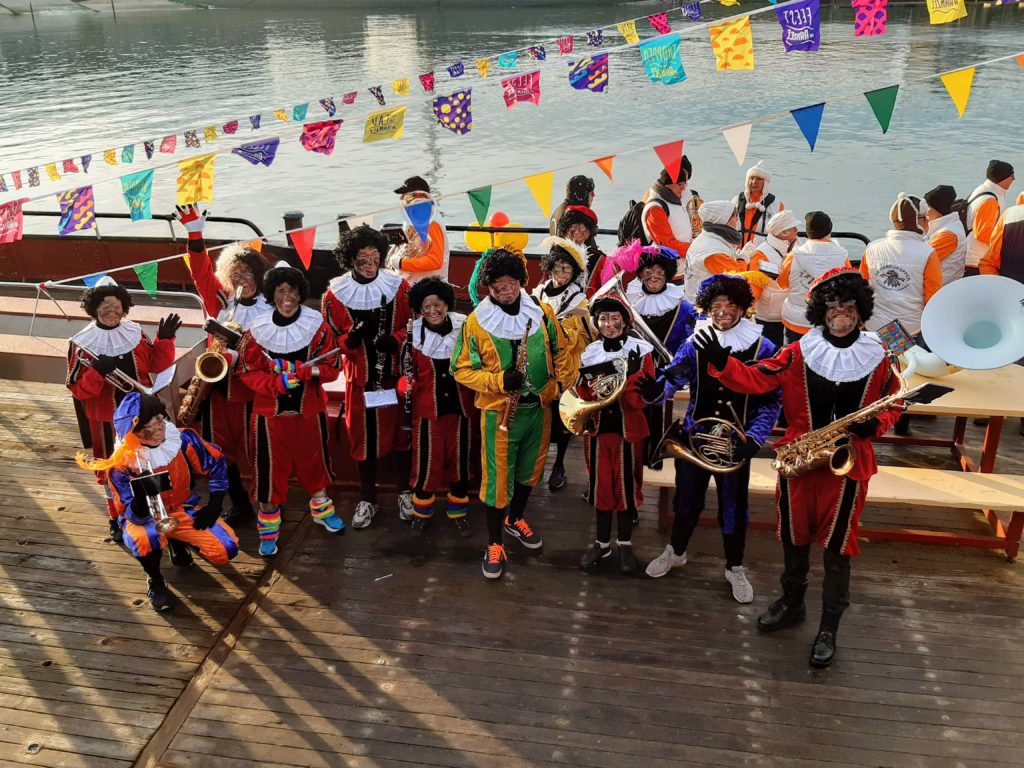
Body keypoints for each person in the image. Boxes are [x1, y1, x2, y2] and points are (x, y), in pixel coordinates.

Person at [699, 267, 903, 667]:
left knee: (837, 548)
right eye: (832, 305)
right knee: (793, 537)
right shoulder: (799, 351)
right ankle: (792, 603)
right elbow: (756, 379)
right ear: (820, 311)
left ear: (860, 310)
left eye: (847, 305)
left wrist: (874, 424)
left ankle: (829, 626)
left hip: (848, 466)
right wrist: (722, 362)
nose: (840, 312)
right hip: (800, 460)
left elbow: (896, 400)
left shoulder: (880, 353)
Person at [643, 275, 780, 604]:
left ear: (742, 309)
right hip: (695, 436)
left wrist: (755, 437)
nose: (722, 314)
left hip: (736, 443)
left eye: (729, 307)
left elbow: (770, 400)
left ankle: (734, 566)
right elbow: (673, 377)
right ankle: (676, 551)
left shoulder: (763, 347)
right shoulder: (694, 343)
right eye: (715, 307)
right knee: (686, 500)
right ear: (707, 308)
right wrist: (654, 391)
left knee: (734, 506)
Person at [453, 247, 574, 579]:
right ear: (488, 288)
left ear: (521, 282)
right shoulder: (477, 323)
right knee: (496, 482)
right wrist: (497, 380)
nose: (504, 291)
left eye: (509, 284)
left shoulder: (542, 312)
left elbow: (562, 351)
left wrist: (556, 386)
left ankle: (515, 518)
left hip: (539, 410)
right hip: (499, 416)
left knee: (529, 471)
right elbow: (461, 369)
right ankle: (494, 543)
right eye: (496, 286)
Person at [77, 392, 239, 612]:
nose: (159, 430)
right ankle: (155, 580)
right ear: (134, 434)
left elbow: (216, 462)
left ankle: (177, 542)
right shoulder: (121, 465)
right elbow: (127, 512)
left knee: (225, 548)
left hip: (182, 508)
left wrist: (215, 505)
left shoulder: (182, 440)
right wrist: (143, 498)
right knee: (146, 539)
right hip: (145, 519)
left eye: (160, 422)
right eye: (149, 428)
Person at [235, 262, 345, 556]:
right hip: (270, 420)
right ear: (272, 294)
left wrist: (309, 374)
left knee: (316, 468)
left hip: (309, 414)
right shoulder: (256, 331)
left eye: (293, 290)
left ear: (300, 293)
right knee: (269, 476)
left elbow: (333, 367)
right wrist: (277, 384)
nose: (288, 296)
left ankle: (322, 513)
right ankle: (268, 531)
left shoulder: (317, 327)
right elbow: (246, 371)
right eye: (281, 290)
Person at [174, 204, 272, 525]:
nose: (242, 279)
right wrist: (194, 234)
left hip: (252, 390)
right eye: (236, 274)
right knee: (220, 450)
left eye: (247, 273)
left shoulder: (270, 309)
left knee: (258, 451)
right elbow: (200, 273)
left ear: (258, 275)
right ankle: (241, 504)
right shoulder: (222, 302)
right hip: (218, 388)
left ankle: (269, 507)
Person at [66, 278, 180, 543]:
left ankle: (156, 512)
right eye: (104, 306)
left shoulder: (135, 333)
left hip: (143, 414)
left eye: (116, 306)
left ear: (124, 307)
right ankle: (115, 518)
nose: (110, 311)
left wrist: (165, 339)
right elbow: (77, 390)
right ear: (93, 309)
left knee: (149, 464)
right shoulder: (81, 343)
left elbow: (158, 362)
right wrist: (97, 372)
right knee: (111, 470)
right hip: (107, 418)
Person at [323, 225, 414, 529]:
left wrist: (396, 339)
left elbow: (414, 327)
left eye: (375, 256)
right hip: (359, 381)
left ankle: (404, 492)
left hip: (393, 378)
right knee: (361, 439)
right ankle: (367, 498)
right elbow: (329, 340)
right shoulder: (334, 296)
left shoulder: (399, 288)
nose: (370, 263)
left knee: (401, 435)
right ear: (351, 260)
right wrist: (347, 343)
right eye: (363, 258)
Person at [576, 294, 656, 573]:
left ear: (624, 321)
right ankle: (601, 543)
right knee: (600, 486)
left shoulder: (641, 351)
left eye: (614, 319)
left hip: (627, 431)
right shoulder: (590, 352)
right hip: (597, 431)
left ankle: (624, 544)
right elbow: (584, 394)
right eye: (603, 319)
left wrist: (630, 376)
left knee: (624, 488)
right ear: (597, 323)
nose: (608, 324)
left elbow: (639, 402)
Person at [400, 277, 477, 538]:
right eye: (427, 307)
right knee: (426, 465)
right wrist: (406, 385)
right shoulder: (413, 332)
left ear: (447, 303)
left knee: (460, 463)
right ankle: (422, 513)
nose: (433, 311)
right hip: (428, 412)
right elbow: (404, 370)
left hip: (462, 409)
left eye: (438, 305)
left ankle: (458, 512)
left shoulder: (464, 327)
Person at [622, 240, 696, 467]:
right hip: (633, 368)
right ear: (641, 274)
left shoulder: (682, 307)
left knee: (655, 412)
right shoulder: (629, 302)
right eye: (648, 271)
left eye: (659, 272)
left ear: (667, 275)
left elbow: (692, 340)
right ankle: (632, 454)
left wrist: (677, 371)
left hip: (665, 372)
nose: (653, 276)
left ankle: (653, 455)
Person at [532, 237, 594, 491]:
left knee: (563, 417)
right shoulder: (539, 292)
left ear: (574, 272)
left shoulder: (579, 300)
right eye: (557, 267)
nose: (561, 273)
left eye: (567, 269)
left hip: (567, 365)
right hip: (541, 362)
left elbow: (582, 338)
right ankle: (537, 464)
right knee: (540, 415)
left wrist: (559, 330)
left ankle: (559, 464)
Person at [859, 193, 943, 340]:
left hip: (874, 327)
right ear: (919, 221)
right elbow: (932, 298)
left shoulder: (872, 248)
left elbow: (861, 288)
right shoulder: (927, 253)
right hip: (911, 329)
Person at [778, 211, 850, 344]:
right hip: (827, 321)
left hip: (796, 321)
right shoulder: (842, 256)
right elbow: (848, 287)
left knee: (793, 361)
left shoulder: (793, 256)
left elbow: (782, 284)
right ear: (829, 230)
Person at [747, 210, 799, 349]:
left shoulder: (796, 247)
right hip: (768, 318)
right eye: (794, 228)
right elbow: (755, 286)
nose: (797, 230)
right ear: (784, 234)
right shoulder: (761, 254)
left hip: (788, 316)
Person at [386, 176, 450, 284]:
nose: (401, 198)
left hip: (430, 287)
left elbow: (435, 261)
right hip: (415, 283)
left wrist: (402, 263)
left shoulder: (430, 221)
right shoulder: (415, 217)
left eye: (404, 194)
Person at [681, 201, 747, 304]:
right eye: (734, 216)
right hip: (705, 309)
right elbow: (738, 279)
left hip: (698, 300)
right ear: (724, 220)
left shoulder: (704, 239)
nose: (737, 219)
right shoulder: (714, 252)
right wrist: (743, 259)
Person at [965, 160, 1015, 276]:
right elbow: (982, 234)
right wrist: (1005, 245)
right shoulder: (990, 200)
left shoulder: (983, 190)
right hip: (976, 262)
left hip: (973, 259)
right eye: (1011, 176)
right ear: (1003, 177)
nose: (1014, 179)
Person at [641, 157, 696, 260]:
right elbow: (667, 245)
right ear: (669, 184)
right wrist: (697, 250)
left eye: (685, 184)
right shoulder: (655, 208)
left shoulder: (674, 199)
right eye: (680, 184)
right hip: (669, 267)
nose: (683, 188)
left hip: (684, 261)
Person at [732, 161, 785, 247]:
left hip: (760, 254)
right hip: (736, 253)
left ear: (766, 183)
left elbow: (782, 233)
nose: (754, 182)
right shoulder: (737, 201)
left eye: (759, 179)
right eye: (752, 178)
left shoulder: (777, 205)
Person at [923, 185, 968, 285]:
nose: (925, 211)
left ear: (939, 210)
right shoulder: (949, 225)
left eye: (928, 207)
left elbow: (921, 259)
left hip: (941, 289)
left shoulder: (948, 234)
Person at [556, 204, 605, 288]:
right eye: (572, 227)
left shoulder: (599, 260)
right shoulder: (556, 253)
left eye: (582, 228)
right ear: (565, 230)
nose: (576, 232)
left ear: (589, 233)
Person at [550, 175, 596, 240]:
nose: (594, 195)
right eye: (591, 193)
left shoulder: (559, 210)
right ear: (582, 195)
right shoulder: (575, 215)